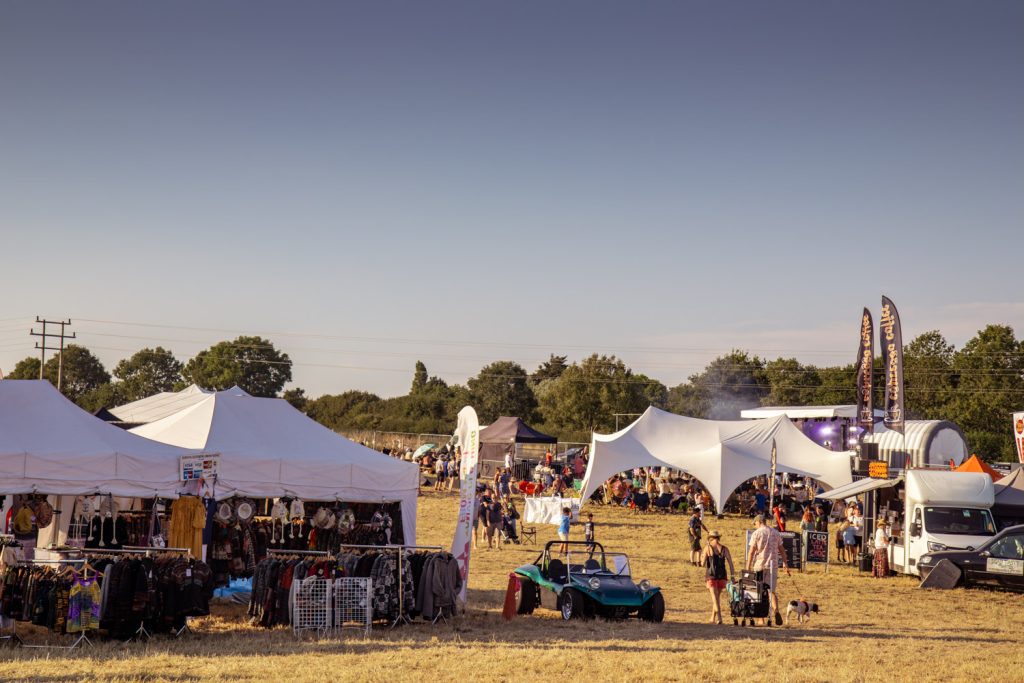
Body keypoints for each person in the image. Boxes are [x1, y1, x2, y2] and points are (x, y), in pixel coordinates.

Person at [746, 515, 790, 626]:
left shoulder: (757, 533)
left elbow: (751, 552)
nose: (755, 526)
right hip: (773, 566)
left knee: (759, 592)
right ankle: (776, 611)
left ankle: (761, 619)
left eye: (755, 523)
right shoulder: (775, 532)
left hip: (759, 565)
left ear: (759, 522)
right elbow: (782, 550)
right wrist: (785, 564)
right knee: (771, 591)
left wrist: (748, 567)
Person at [700, 530, 735, 624]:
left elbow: (702, 563)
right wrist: (732, 576)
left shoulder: (708, 548)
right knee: (716, 598)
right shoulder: (724, 549)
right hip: (722, 575)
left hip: (711, 575)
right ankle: (712, 618)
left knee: (715, 599)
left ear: (710, 538)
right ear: (718, 538)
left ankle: (719, 618)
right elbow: (731, 563)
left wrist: (702, 555)